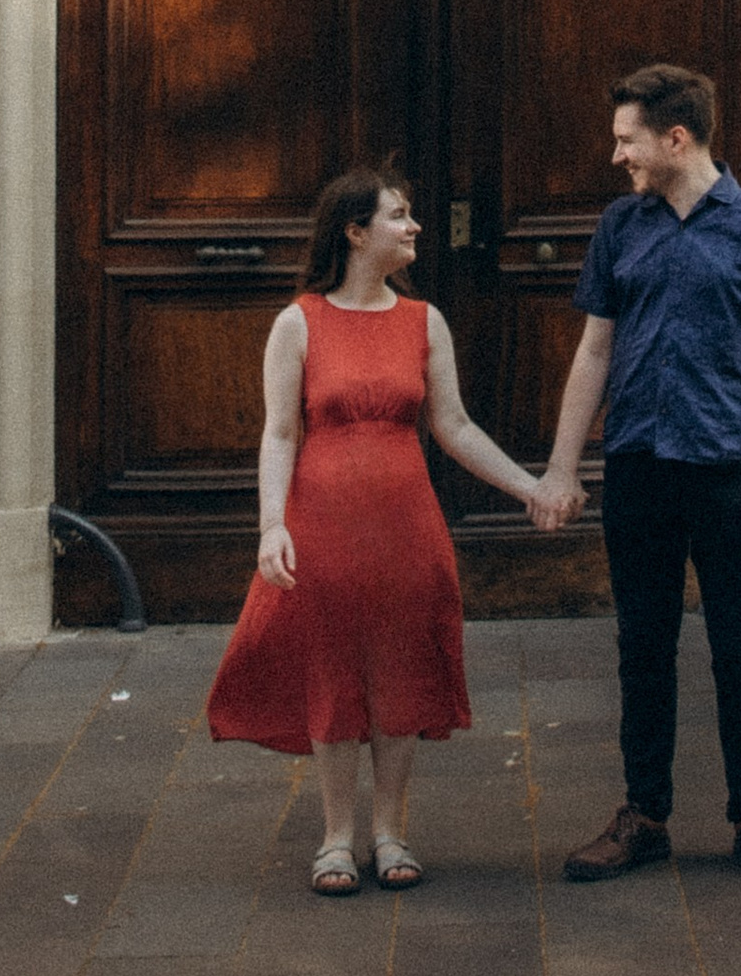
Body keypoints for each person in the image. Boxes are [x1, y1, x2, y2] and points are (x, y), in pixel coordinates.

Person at [206, 163, 548, 894]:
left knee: (397, 667)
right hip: (323, 523)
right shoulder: (298, 321)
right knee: (332, 666)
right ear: (356, 232)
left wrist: (530, 487)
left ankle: (390, 831)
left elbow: (453, 426)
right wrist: (271, 527)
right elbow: (279, 434)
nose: (415, 226)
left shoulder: (424, 321)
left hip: (405, 525)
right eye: (399, 215)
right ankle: (336, 836)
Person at [532, 62, 741, 884]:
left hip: (731, 468)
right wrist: (562, 467)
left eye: (628, 139)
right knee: (642, 646)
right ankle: (644, 814)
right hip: (640, 467)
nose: (617, 153)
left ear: (676, 137)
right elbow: (594, 350)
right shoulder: (622, 227)